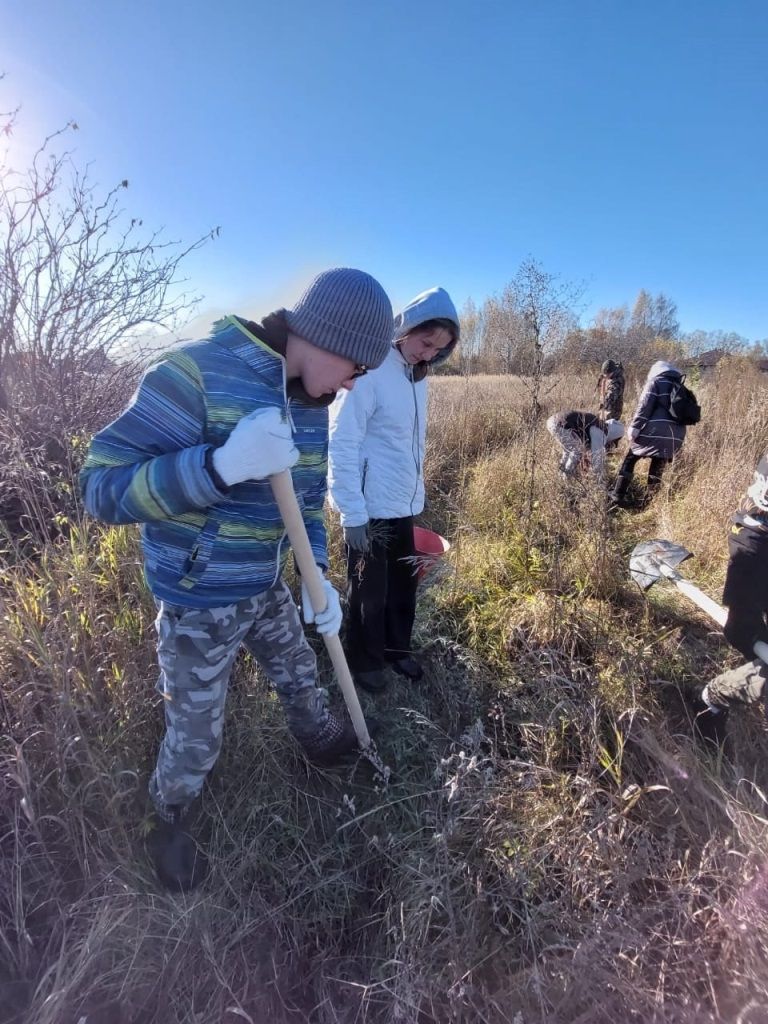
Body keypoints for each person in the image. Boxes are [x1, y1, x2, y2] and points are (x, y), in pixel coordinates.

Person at [80, 267, 394, 891]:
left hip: (265, 585)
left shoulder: (313, 401)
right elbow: (101, 489)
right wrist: (220, 466)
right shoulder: (196, 373)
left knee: (303, 677)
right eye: (356, 367)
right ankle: (168, 817)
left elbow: (304, 504)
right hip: (198, 599)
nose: (354, 383)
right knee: (196, 730)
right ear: (328, 339)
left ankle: (321, 742)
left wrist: (319, 582)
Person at [327, 287, 459, 693]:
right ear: (406, 327)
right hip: (368, 508)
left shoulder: (416, 375)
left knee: (404, 581)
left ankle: (396, 649)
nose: (428, 353)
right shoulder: (370, 369)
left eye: (439, 348)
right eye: (425, 342)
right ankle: (364, 662)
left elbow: (406, 443)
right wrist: (350, 512)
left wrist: (413, 493)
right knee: (369, 589)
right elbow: (342, 440)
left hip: (402, 500)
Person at [699, 453, 768, 727]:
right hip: (756, 542)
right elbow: (738, 628)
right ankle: (712, 698)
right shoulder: (752, 550)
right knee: (745, 631)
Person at [610, 360, 687, 508]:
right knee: (658, 465)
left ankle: (618, 495)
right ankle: (648, 503)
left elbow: (644, 407)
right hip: (675, 435)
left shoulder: (656, 382)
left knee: (630, 458)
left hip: (654, 431)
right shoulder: (680, 386)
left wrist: (635, 428)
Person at [546, 410, 624, 480]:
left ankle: (560, 475)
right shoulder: (600, 431)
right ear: (614, 435)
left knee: (568, 451)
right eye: (616, 440)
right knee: (576, 451)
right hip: (560, 424)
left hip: (553, 421)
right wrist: (600, 480)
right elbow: (596, 458)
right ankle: (566, 478)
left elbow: (588, 450)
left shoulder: (598, 424)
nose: (613, 444)